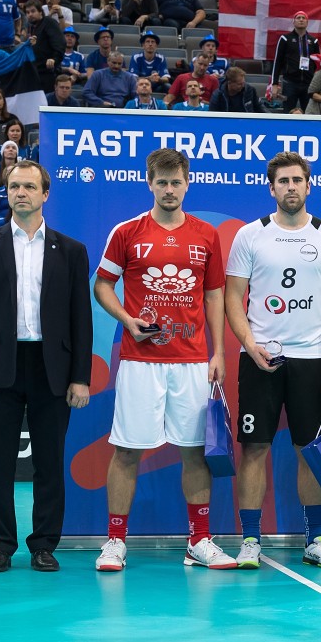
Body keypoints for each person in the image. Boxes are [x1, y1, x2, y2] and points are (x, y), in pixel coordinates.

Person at [93, 148, 232, 572]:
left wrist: (219, 351)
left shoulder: (206, 235)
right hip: (140, 361)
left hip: (191, 361)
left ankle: (200, 541)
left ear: (187, 183)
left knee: (194, 451)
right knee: (128, 451)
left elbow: (214, 296)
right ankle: (115, 541)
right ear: (149, 183)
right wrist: (127, 320)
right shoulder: (127, 231)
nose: (169, 189)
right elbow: (102, 285)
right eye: (162, 182)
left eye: (176, 182)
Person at [0, 160, 92, 573]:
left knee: (49, 463)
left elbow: (80, 319)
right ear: (7, 192)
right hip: (0, 365)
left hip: (52, 368)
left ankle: (44, 545)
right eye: (14, 186)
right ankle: (0, 544)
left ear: (45, 194)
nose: (21, 193)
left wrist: (80, 377)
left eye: (30, 187)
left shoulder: (71, 250)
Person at [224, 151, 321, 570]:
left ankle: (315, 539)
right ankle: (249, 541)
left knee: (310, 451)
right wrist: (249, 343)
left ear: (308, 185)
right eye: (283, 181)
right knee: (254, 449)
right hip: (261, 358)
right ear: (271, 187)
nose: (291, 187)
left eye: (298, 180)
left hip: (312, 361)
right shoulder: (250, 235)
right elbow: (232, 298)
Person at [270, 11, 321, 113]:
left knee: (309, 114)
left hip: (308, 84)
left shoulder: (314, 41)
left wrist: (316, 83)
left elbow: (318, 65)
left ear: (307, 22)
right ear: (293, 22)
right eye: (298, 18)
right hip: (290, 83)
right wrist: (274, 84)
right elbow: (277, 62)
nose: (301, 20)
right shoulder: (285, 39)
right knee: (288, 114)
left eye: (303, 18)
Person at [24, 0, 65, 93]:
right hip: (36, 71)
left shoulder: (49, 22)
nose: (30, 14)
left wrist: (54, 59)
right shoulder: (33, 27)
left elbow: (60, 43)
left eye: (33, 11)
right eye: (27, 12)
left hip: (48, 72)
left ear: (40, 12)